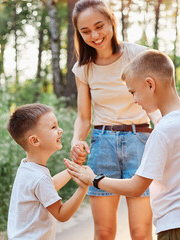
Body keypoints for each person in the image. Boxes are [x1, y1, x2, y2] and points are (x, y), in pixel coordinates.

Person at [66, 50, 180, 240]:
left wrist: (94, 179)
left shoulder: (162, 130)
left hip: (177, 222)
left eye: (133, 92)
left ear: (150, 84)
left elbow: (137, 187)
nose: (134, 100)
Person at [69, 0, 162, 239]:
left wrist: (167, 132)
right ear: (79, 34)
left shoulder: (138, 54)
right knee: (104, 232)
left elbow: (156, 102)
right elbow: (83, 117)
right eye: (86, 31)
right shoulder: (84, 68)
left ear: (111, 21)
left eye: (99, 26)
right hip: (103, 144)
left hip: (140, 141)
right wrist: (75, 142)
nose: (94, 35)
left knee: (141, 232)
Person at [6, 103, 88, 239]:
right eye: (53, 127)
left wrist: (74, 167)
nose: (60, 130)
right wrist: (83, 188)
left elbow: (50, 185)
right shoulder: (39, 177)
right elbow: (61, 214)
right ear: (35, 140)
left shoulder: (27, 167)